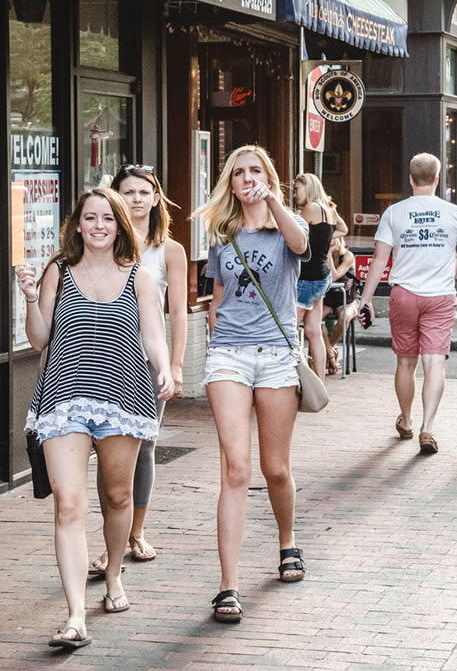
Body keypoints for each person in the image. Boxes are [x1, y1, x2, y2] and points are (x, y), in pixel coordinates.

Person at [18, 188, 173, 648]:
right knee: (69, 503)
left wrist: (164, 367)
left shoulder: (139, 277)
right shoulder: (57, 272)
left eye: (108, 218)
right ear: (78, 224)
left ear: (120, 225)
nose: (99, 225)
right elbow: (40, 339)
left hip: (123, 399)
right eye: (91, 217)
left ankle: (113, 575)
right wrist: (30, 299)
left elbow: (153, 336)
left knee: (118, 497)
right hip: (63, 399)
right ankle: (74, 617)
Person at [193, 145, 311, 623]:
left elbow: (303, 244)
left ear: (268, 177)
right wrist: (215, 332)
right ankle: (228, 586)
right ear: (229, 181)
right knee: (236, 469)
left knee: (275, 468)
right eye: (238, 172)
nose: (245, 179)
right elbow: (217, 297)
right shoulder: (222, 235)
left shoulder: (285, 228)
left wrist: (275, 202)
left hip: (278, 357)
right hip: (229, 357)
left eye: (254, 171)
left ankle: (288, 541)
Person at [88, 164, 187, 576]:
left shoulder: (170, 250)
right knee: (105, 450)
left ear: (156, 198)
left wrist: (177, 365)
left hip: (147, 361)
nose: (136, 199)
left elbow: (178, 311)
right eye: (127, 192)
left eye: (144, 192)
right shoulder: (105, 242)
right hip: (104, 360)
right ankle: (110, 538)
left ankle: (136, 532)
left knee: (143, 446)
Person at [358, 153, 457, 454]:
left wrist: (366, 299)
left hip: (404, 294)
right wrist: (443, 277)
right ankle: (428, 427)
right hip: (440, 296)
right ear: (437, 180)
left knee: (405, 362)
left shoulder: (394, 213)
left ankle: (407, 421)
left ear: (410, 179)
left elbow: (380, 260)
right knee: (434, 362)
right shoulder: (454, 213)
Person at [294, 173, 345, 381]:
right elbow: (343, 229)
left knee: (288, 330)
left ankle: (290, 378)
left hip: (307, 277)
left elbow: (294, 237)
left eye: (297, 189)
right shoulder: (330, 209)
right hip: (322, 276)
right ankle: (320, 381)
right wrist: (326, 237)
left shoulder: (310, 209)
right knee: (313, 329)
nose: (295, 193)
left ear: (309, 188)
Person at [321, 231, 360, 374]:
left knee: (344, 318)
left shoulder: (347, 256)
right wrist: (328, 254)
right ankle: (331, 354)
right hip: (328, 299)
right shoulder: (322, 255)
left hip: (348, 299)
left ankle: (329, 349)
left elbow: (335, 276)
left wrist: (330, 253)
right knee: (314, 321)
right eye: (329, 239)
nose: (332, 241)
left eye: (335, 238)